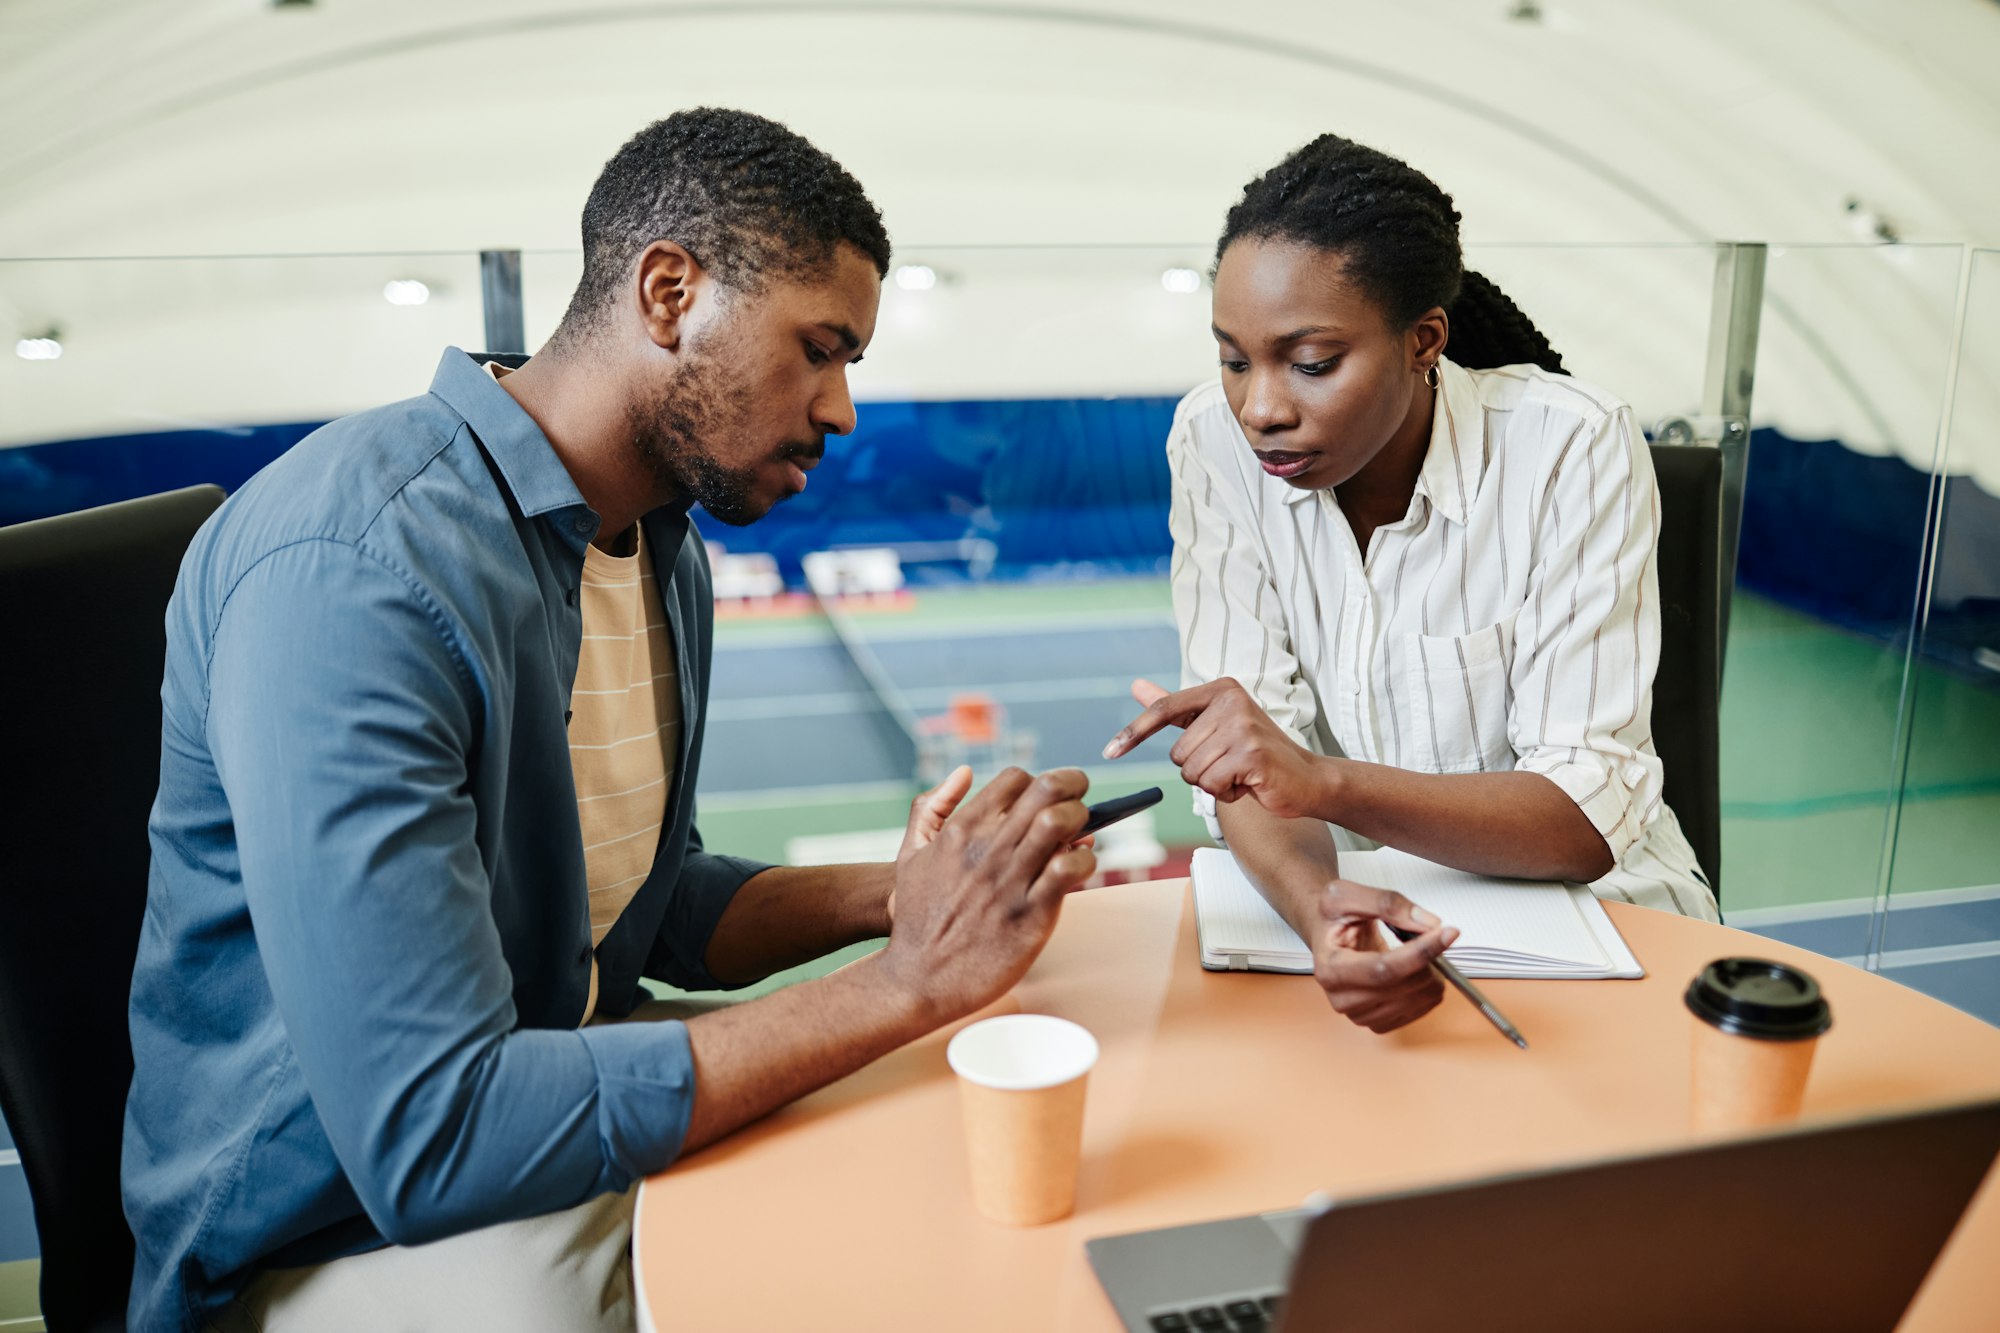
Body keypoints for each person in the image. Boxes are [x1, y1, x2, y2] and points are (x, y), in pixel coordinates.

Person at [124, 109, 1101, 1333]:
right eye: (820, 347)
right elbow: (434, 1132)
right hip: (323, 1231)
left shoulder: (655, 549)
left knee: (922, 1154)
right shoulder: (352, 569)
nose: (843, 407)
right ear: (667, 290)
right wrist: (902, 984)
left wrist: (903, 894)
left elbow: (647, 902)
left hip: (541, 1104)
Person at [1104, 134, 1718, 1036]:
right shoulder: (1211, 439)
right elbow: (1247, 773)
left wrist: (1322, 780)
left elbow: (1581, 818)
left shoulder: (1572, 444)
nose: (1261, 407)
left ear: (1424, 340)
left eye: (1310, 362)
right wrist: (1323, 911)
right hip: (1362, 914)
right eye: (1234, 358)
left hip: (1603, 928)